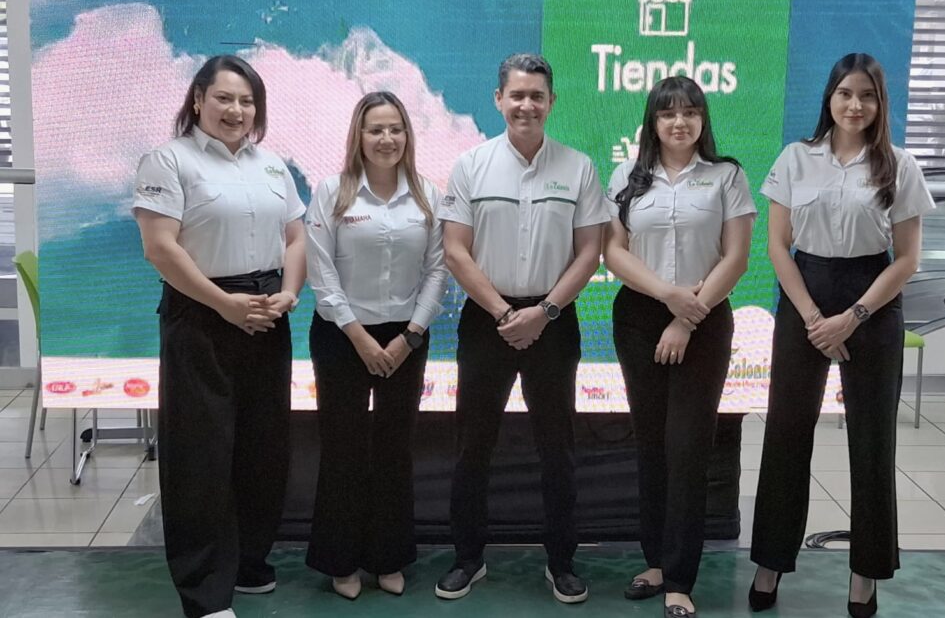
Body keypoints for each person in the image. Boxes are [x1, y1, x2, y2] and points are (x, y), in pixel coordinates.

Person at [748, 53, 935, 618]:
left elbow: (907, 259)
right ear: (829, 97)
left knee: (872, 441)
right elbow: (777, 245)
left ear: (880, 103)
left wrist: (852, 316)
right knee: (786, 432)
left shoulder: (900, 165)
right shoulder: (796, 158)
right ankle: (770, 561)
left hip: (871, 296)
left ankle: (866, 573)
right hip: (804, 293)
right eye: (845, 94)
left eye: (867, 96)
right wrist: (812, 318)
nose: (855, 105)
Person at [133, 55, 306, 618]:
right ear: (199, 99)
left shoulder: (272, 166)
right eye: (225, 98)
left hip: (266, 312)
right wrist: (223, 304)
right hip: (202, 313)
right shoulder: (169, 160)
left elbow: (296, 238)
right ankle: (206, 592)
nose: (237, 110)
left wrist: (290, 292)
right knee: (200, 454)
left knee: (263, 448)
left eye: (247, 101)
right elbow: (161, 247)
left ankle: (248, 563)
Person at [434, 53, 609, 604]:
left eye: (537, 96)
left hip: (553, 320)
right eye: (517, 95)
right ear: (498, 100)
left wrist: (545, 312)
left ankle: (561, 562)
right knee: (472, 447)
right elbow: (456, 251)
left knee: (558, 450)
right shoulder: (471, 165)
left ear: (551, 102)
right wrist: (504, 314)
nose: (526, 105)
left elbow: (589, 252)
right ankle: (468, 558)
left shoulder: (578, 167)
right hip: (486, 320)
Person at [604, 76, 755, 618]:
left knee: (688, 447)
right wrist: (667, 296)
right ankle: (656, 562)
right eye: (668, 113)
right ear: (653, 121)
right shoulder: (627, 175)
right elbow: (613, 252)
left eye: (690, 112)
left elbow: (736, 257)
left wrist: (687, 317)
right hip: (639, 317)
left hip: (704, 318)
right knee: (651, 444)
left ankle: (681, 578)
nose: (679, 122)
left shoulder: (726, 175)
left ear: (702, 120)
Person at [303, 91, 448, 599]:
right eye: (376, 130)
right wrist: (358, 336)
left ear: (407, 135)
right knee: (343, 449)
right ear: (358, 137)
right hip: (342, 336)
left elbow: (437, 271)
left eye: (395, 129)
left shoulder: (427, 195)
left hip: (406, 338)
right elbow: (320, 272)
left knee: (394, 449)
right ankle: (340, 561)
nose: (387, 139)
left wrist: (411, 335)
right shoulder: (333, 192)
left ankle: (388, 556)